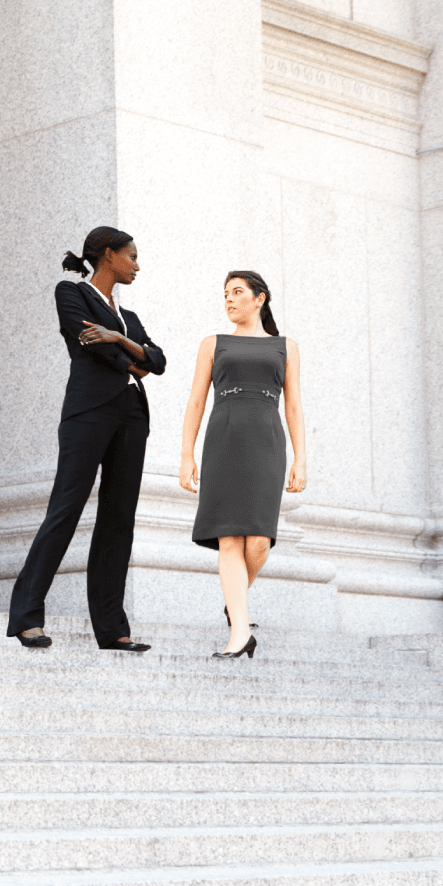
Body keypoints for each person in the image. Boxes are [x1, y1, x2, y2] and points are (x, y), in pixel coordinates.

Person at [6, 227, 166, 650]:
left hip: (132, 416)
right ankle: (26, 616)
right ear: (109, 255)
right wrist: (133, 356)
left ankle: (113, 629)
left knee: (119, 520)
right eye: (131, 255)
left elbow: (160, 360)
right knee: (66, 508)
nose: (137, 264)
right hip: (89, 412)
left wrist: (116, 337)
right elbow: (92, 347)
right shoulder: (70, 292)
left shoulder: (126, 318)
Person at [179, 270, 307, 659]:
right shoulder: (212, 344)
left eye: (237, 292)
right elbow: (197, 401)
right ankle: (240, 631)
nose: (230, 300)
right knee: (229, 537)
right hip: (224, 438)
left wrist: (301, 458)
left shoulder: (286, 346)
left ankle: (236, 604)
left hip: (267, 439)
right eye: (225, 294)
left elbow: (294, 405)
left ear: (260, 298)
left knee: (260, 540)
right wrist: (187, 454)